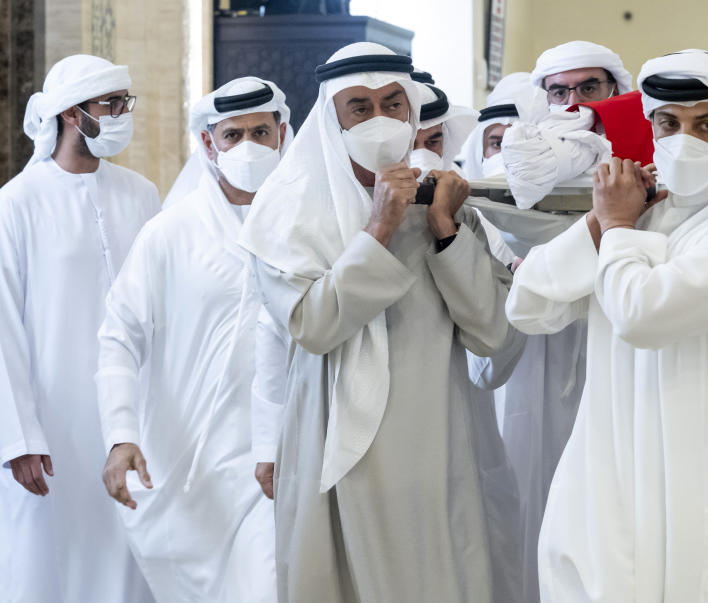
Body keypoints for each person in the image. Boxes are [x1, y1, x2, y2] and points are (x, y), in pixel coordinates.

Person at [507, 50, 708, 602]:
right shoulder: (645, 211)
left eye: (705, 123)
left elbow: (642, 316)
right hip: (611, 482)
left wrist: (617, 226)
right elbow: (528, 306)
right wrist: (599, 223)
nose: (682, 138)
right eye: (668, 122)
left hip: (701, 487)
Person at [237, 42, 523, 603]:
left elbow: (493, 336)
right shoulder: (291, 208)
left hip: (441, 436)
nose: (380, 120)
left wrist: (444, 229)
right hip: (337, 439)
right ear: (333, 119)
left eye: (394, 104)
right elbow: (312, 327)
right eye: (360, 108)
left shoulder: (443, 199)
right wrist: (379, 228)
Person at [96, 76, 290, 602]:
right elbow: (119, 337)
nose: (248, 147)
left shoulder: (306, 227)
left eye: (260, 132)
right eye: (233, 136)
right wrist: (120, 434)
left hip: (272, 468)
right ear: (209, 144)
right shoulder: (169, 233)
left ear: (283, 134)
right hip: (188, 473)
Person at [0, 54, 157, 603]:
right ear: (71, 114)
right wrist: (19, 436)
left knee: (132, 556)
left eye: (124, 103)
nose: (121, 115)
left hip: (130, 419)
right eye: (109, 105)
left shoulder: (142, 194)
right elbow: (2, 332)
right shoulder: (16, 203)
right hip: (50, 427)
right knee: (48, 563)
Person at [530, 40, 632, 108]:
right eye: (560, 93)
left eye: (588, 89)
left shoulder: (641, 139)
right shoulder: (528, 139)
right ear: (546, 100)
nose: (573, 103)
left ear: (615, 92)